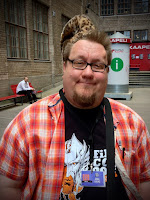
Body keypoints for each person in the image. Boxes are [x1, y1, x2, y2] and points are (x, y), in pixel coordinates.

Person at [0, 15, 150, 200]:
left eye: (97, 65)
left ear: (107, 72)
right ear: (64, 66)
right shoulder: (26, 125)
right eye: (79, 63)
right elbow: (9, 186)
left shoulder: (134, 125)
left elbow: (144, 182)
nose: (88, 73)